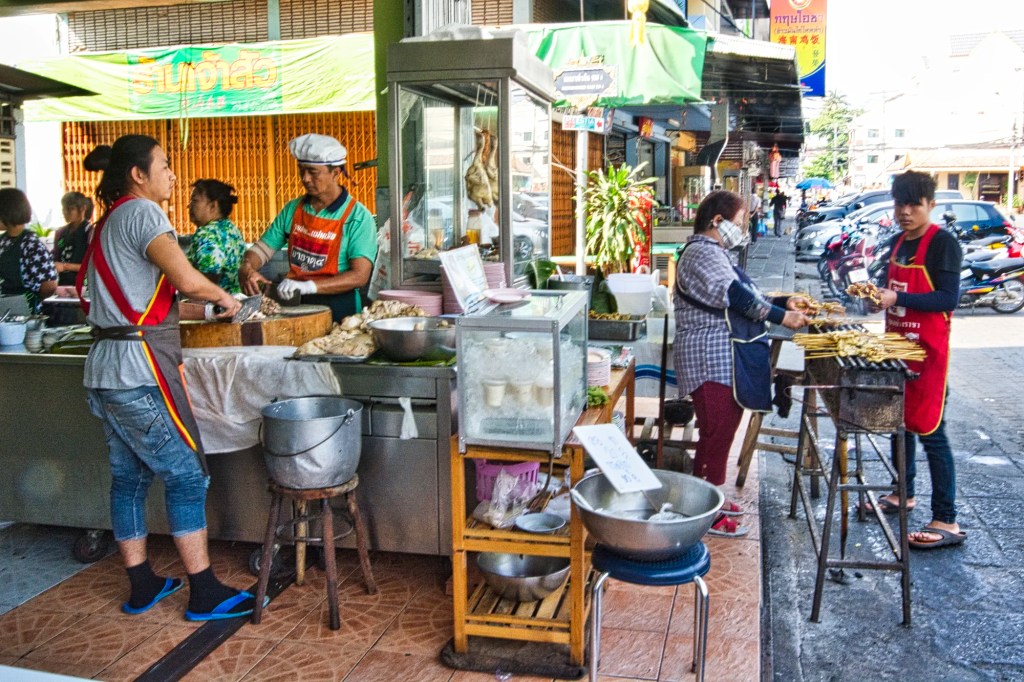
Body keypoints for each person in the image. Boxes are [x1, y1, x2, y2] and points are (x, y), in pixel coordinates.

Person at [78, 135, 263, 621]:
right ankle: (204, 592)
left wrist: (204, 306)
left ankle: (142, 584)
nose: (173, 175)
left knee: (129, 478)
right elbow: (184, 278)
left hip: (105, 367)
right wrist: (226, 300)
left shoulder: (107, 222)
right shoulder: (142, 213)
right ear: (138, 174)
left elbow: (146, 301)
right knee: (186, 475)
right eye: (165, 164)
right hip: (136, 370)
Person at [673, 190, 809, 537]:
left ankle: (711, 499)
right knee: (716, 435)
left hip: (721, 358)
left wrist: (782, 300)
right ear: (717, 221)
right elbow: (735, 297)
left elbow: (747, 294)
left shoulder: (716, 254)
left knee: (722, 433)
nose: (743, 228)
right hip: (709, 358)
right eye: (740, 222)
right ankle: (704, 513)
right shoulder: (702, 253)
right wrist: (782, 316)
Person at [871, 171, 965, 550]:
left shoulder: (943, 244)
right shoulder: (897, 244)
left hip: (927, 356)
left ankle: (947, 518)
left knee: (931, 432)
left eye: (914, 204)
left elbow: (948, 299)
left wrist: (900, 301)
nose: (905, 212)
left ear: (930, 205)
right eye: (900, 204)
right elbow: (891, 292)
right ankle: (903, 493)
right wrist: (877, 298)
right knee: (900, 426)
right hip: (897, 350)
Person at [238, 133, 377, 321]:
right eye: (301, 170)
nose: (305, 178)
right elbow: (262, 249)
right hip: (295, 306)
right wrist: (248, 268)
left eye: (313, 172)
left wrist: (309, 286)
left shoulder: (358, 217)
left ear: (335, 173)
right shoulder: (293, 210)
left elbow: (359, 276)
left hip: (340, 310)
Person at [0, 188, 57, 316]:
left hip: (25, 313)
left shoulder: (31, 245)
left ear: (7, 213)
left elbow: (49, 285)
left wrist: (33, 300)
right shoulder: (3, 241)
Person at [185, 179, 246, 294]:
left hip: (215, 306)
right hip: (236, 301)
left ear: (213, 206)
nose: (189, 206)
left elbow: (210, 276)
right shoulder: (232, 229)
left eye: (195, 201)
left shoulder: (207, 233)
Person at [53, 191, 94, 286]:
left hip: (83, 285)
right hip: (62, 284)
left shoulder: (91, 233)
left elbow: (93, 266)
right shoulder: (60, 232)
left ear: (83, 209)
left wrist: (65, 266)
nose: (65, 212)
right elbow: (55, 258)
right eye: (64, 208)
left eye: (70, 209)